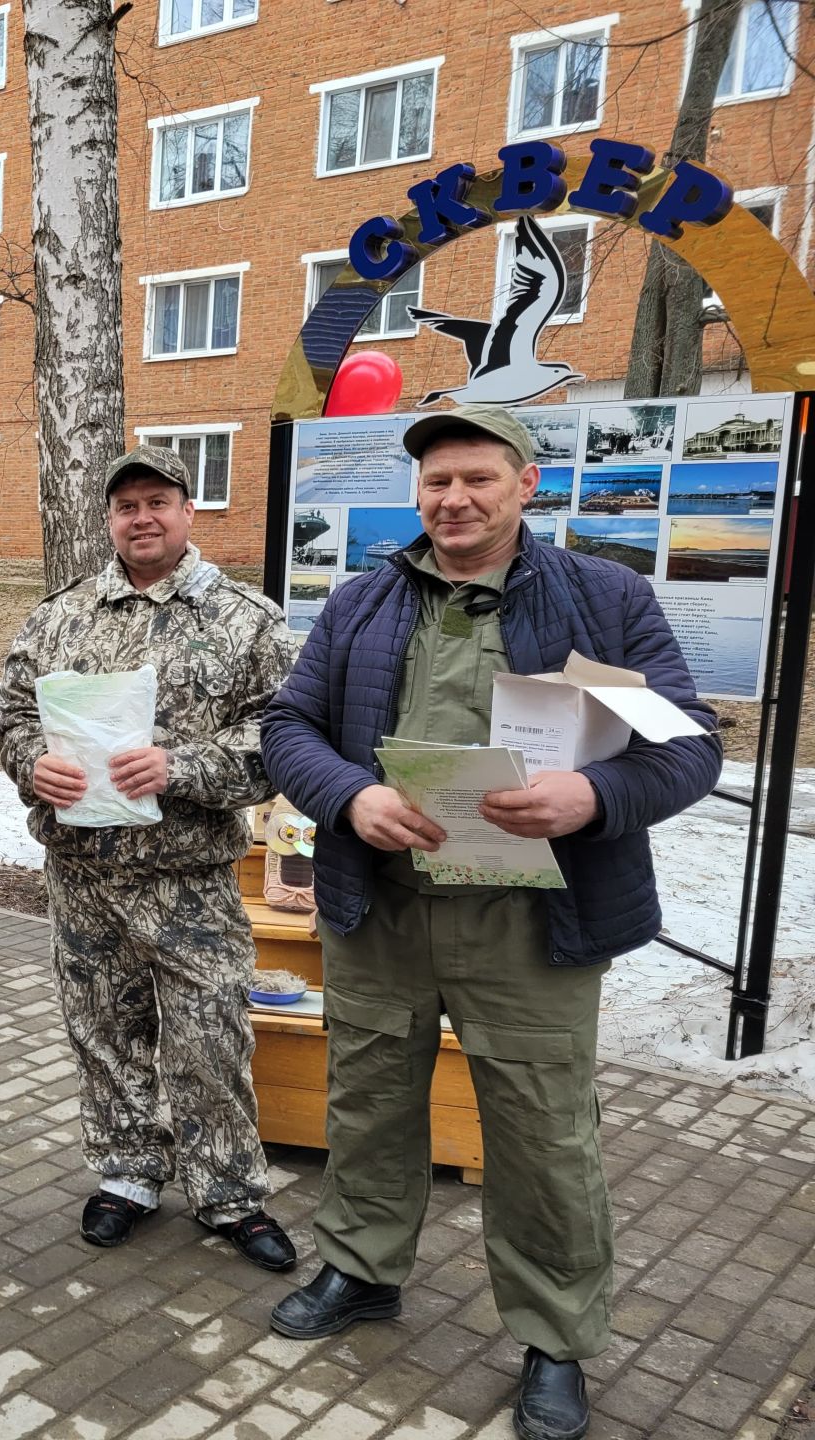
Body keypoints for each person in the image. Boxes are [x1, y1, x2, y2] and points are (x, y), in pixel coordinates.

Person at [261, 404, 721, 1440]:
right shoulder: (363, 601)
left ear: (527, 486)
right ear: (415, 494)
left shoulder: (606, 598)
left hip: (534, 921)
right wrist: (350, 798)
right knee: (370, 1105)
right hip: (383, 906)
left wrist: (593, 798)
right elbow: (288, 723)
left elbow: (688, 746)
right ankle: (364, 1270)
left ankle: (555, 1338)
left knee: (544, 1137)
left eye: (477, 479)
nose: (454, 499)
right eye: (436, 483)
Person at [0, 446, 298, 1267]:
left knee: (209, 1041)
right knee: (103, 1035)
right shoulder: (60, 616)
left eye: (157, 501)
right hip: (85, 876)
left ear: (187, 511)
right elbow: (15, 717)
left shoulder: (246, 619)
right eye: (125, 504)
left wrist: (182, 766)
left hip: (189, 879)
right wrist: (33, 765)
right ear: (108, 519)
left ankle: (229, 1194)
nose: (142, 517)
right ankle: (127, 1172)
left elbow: (283, 737)